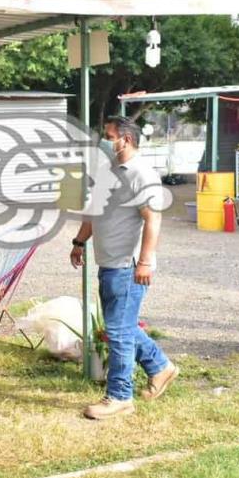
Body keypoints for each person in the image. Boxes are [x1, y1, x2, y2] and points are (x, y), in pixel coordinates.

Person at [70, 116, 177, 420]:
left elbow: (152, 219)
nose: (105, 142)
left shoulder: (141, 174)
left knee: (118, 331)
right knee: (122, 328)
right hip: (108, 262)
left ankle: (119, 396)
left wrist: (144, 261)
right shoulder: (108, 172)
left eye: (109, 136)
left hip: (127, 266)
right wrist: (79, 242)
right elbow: (93, 213)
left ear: (126, 140)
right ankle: (161, 367)